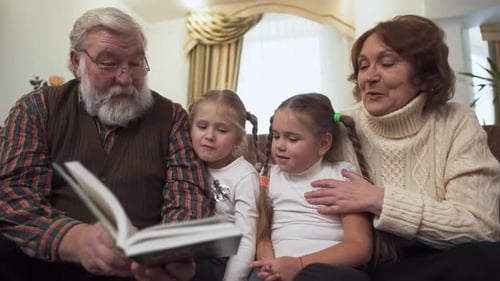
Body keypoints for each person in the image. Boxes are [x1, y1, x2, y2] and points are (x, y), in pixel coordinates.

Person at [0, 7, 213, 281]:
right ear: (77, 62)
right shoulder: (37, 109)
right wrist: (75, 239)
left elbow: (189, 197)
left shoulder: (172, 117)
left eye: (136, 62)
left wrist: (168, 252)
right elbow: (13, 196)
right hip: (54, 266)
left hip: (141, 271)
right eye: (108, 63)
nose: (125, 78)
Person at [300, 14, 500, 281]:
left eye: (387, 63)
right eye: (363, 66)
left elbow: (480, 228)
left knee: (485, 258)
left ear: (423, 73)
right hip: (363, 267)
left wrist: (380, 200)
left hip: (438, 262)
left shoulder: (456, 121)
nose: (369, 77)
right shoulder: (340, 127)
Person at [250, 93, 373, 281]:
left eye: (292, 139)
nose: (280, 145)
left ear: (323, 144)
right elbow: (263, 235)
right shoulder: (269, 176)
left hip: (328, 271)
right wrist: (271, 267)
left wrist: (298, 264)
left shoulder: (342, 176)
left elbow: (360, 247)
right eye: (276, 136)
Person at [188, 89, 261, 281]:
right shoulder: (185, 165)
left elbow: (246, 239)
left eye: (221, 130)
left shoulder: (245, 177)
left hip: (222, 260)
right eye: (202, 126)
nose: (209, 136)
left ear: (238, 137)